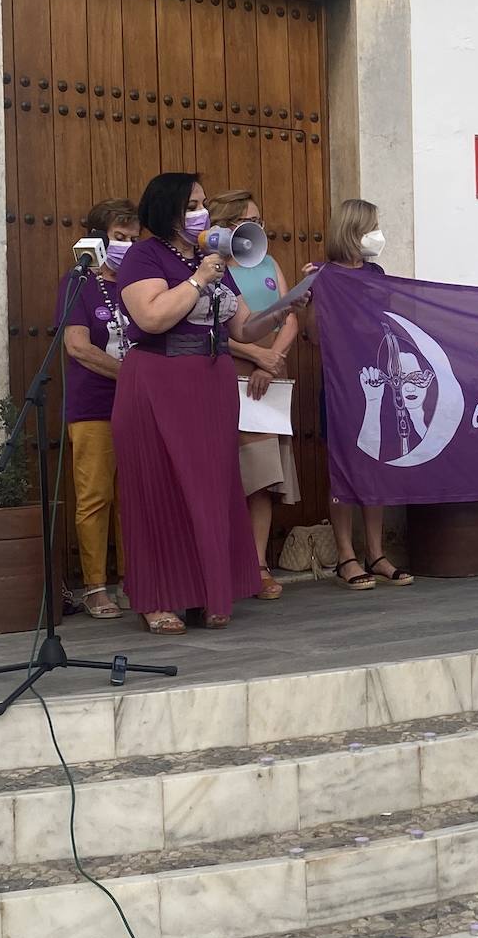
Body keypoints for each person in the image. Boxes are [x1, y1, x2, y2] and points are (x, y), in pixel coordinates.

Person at [113, 173, 304, 633]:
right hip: (159, 378)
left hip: (210, 382)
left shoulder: (209, 259)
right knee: (159, 488)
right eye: (192, 204)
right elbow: (151, 316)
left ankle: (205, 592)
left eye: (201, 203)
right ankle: (157, 598)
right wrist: (198, 280)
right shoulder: (144, 257)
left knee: (212, 488)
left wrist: (288, 304)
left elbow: (243, 328)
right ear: (168, 210)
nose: (201, 212)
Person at [309, 198, 414, 589]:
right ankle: (346, 557)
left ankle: (377, 553)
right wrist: (315, 294)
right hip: (341, 386)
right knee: (343, 466)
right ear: (353, 230)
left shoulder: (377, 273)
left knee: (375, 464)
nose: (377, 233)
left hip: (380, 381)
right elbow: (313, 335)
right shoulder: (325, 275)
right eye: (372, 225)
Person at [206, 189, 299, 601]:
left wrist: (271, 359)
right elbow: (212, 331)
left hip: (269, 379)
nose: (259, 230)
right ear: (227, 226)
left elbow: (289, 315)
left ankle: (258, 564)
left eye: (260, 222)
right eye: (251, 222)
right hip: (228, 375)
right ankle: (225, 562)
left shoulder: (269, 263)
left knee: (263, 477)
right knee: (228, 476)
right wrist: (254, 354)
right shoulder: (209, 268)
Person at [57, 198, 139, 618]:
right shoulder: (79, 284)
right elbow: (77, 346)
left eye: (132, 238)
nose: (126, 244)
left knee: (133, 496)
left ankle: (133, 579)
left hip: (137, 409)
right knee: (95, 497)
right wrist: (130, 375)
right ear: (97, 239)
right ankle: (94, 586)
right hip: (93, 406)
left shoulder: (139, 285)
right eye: (118, 237)